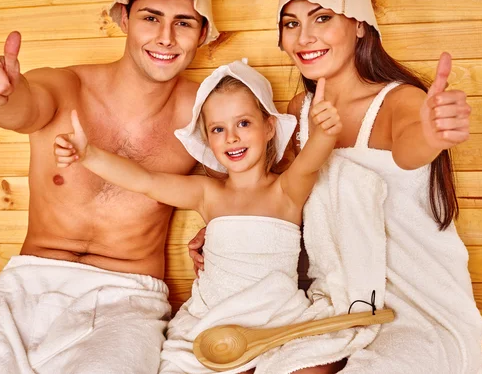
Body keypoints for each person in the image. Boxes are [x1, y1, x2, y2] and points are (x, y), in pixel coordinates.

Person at [189, 0, 482, 373]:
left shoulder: (399, 101)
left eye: (322, 18)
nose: (304, 37)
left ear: (361, 26)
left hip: (412, 309)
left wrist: (434, 131)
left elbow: (410, 150)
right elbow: (284, 191)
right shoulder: (299, 109)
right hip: (333, 302)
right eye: (292, 24)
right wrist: (230, 225)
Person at [0, 0, 219, 374]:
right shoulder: (65, 85)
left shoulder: (204, 110)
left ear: (202, 34)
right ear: (124, 18)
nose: (165, 37)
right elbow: (24, 109)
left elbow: (241, 176)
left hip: (128, 298)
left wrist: (219, 226)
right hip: (27, 284)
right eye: (150, 17)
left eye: (183, 22)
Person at [53, 60, 347, 374]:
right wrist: (89, 156)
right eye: (218, 129)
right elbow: (145, 182)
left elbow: (311, 162)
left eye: (244, 123)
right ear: (208, 139)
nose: (232, 137)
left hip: (276, 319)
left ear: (269, 127)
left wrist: (324, 131)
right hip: (215, 322)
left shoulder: (285, 191)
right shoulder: (208, 194)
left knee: (317, 366)